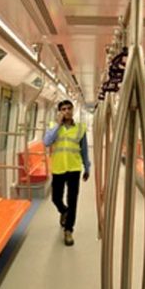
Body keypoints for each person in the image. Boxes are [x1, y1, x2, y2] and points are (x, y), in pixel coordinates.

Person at [43, 100, 90, 246]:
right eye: (63, 109)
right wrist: (57, 124)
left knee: (73, 200)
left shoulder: (80, 128)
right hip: (58, 168)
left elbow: (84, 149)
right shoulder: (53, 127)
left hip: (74, 168)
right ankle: (64, 211)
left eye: (69, 108)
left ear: (73, 110)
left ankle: (69, 230)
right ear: (59, 111)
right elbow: (46, 142)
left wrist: (87, 167)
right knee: (56, 198)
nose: (67, 111)